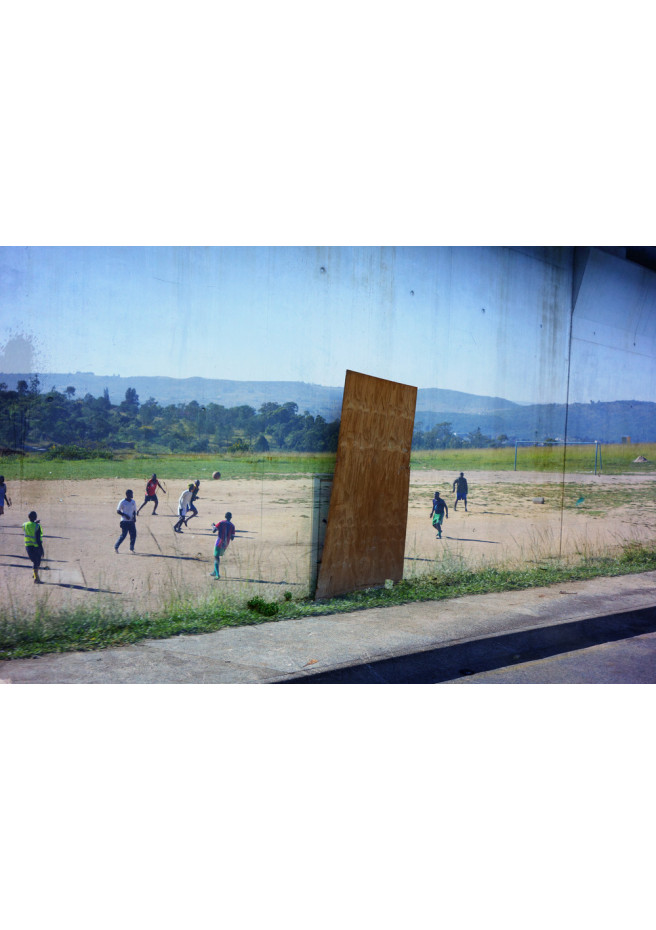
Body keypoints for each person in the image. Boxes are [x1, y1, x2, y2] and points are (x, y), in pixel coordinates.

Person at [210, 511, 236, 578]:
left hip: (219, 542)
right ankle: (215, 571)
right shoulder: (232, 526)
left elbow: (214, 531)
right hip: (225, 544)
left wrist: (213, 525)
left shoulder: (221, 522)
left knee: (216, 557)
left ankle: (217, 574)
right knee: (217, 556)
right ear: (231, 518)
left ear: (225, 517)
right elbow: (232, 538)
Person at [23, 510, 44, 583]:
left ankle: (35, 574)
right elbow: (38, 539)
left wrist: (34, 522)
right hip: (36, 546)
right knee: (37, 562)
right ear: (36, 517)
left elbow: (30, 526)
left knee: (34, 561)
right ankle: (36, 578)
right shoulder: (37, 526)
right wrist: (42, 549)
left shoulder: (25, 525)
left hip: (28, 546)